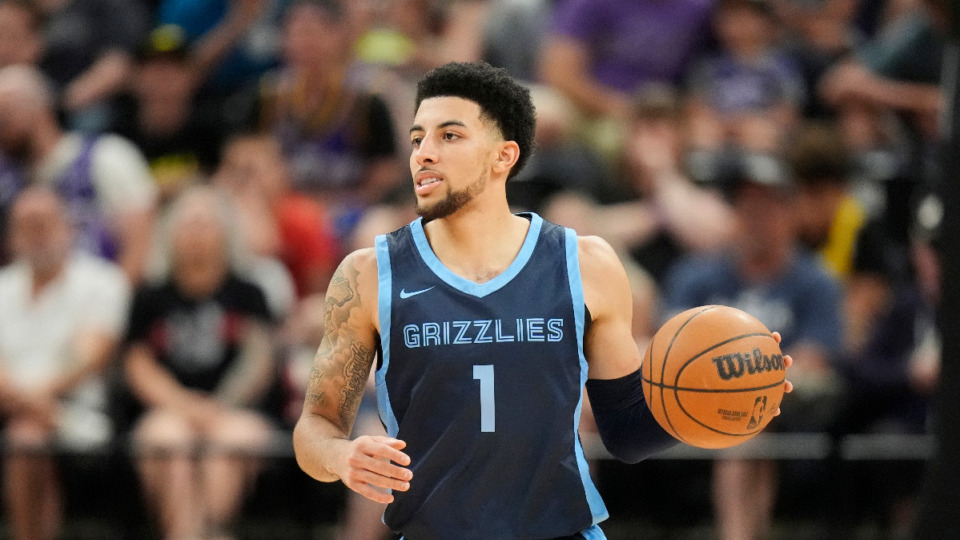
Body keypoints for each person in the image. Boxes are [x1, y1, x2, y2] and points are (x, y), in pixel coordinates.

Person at [292, 61, 794, 538]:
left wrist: (729, 396)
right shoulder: (368, 274)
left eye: (449, 135)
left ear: (503, 156)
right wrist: (341, 457)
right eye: (417, 138)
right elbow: (316, 426)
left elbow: (625, 432)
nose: (424, 152)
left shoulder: (585, 264)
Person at [661, 150, 842, 540]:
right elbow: (663, 350)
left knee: (745, 420)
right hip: (689, 404)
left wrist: (736, 381)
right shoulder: (697, 276)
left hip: (785, 412)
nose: (755, 219)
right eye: (746, 207)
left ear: (790, 212)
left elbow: (815, 359)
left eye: (766, 207)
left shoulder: (815, 282)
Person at [123, 186, 278, 540]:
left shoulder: (248, 293)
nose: (196, 235)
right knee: (169, 442)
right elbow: (139, 365)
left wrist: (218, 407)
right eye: (187, 226)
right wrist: (185, 406)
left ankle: (206, 530)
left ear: (226, 233)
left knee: (227, 442)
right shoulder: (150, 295)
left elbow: (258, 361)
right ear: (169, 235)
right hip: (167, 409)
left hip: (236, 410)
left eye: (205, 225)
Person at [0, 187, 131, 540]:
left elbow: (88, 358)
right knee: (26, 432)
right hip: (7, 408)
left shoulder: (103, 282)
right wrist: (30, 402)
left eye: (46, 222)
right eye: (27, 224)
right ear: (12, 236)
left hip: (78, 413)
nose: (38, 232)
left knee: (27, 437)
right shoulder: (2, 287)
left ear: (68, 227)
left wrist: (30, 399)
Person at [0, 64, 158, 282]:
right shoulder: (6, 182)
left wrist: (109, 304)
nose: (2, 125)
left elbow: (139, 248)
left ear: (40, 107)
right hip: (31, 311)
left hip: (104, 304)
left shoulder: (107, 156)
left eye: (6, 113)